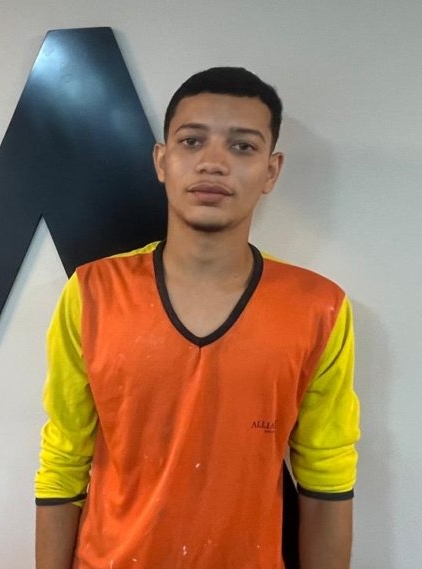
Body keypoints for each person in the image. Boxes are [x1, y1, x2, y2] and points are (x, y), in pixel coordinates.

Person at [34, 67, 360, 569]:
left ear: (271, 171)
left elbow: (327, 478)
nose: (213, 162)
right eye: (191, 141)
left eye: (243, 146)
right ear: (162, 161)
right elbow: (63, 461)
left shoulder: (319, 307)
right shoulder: (94, 292)